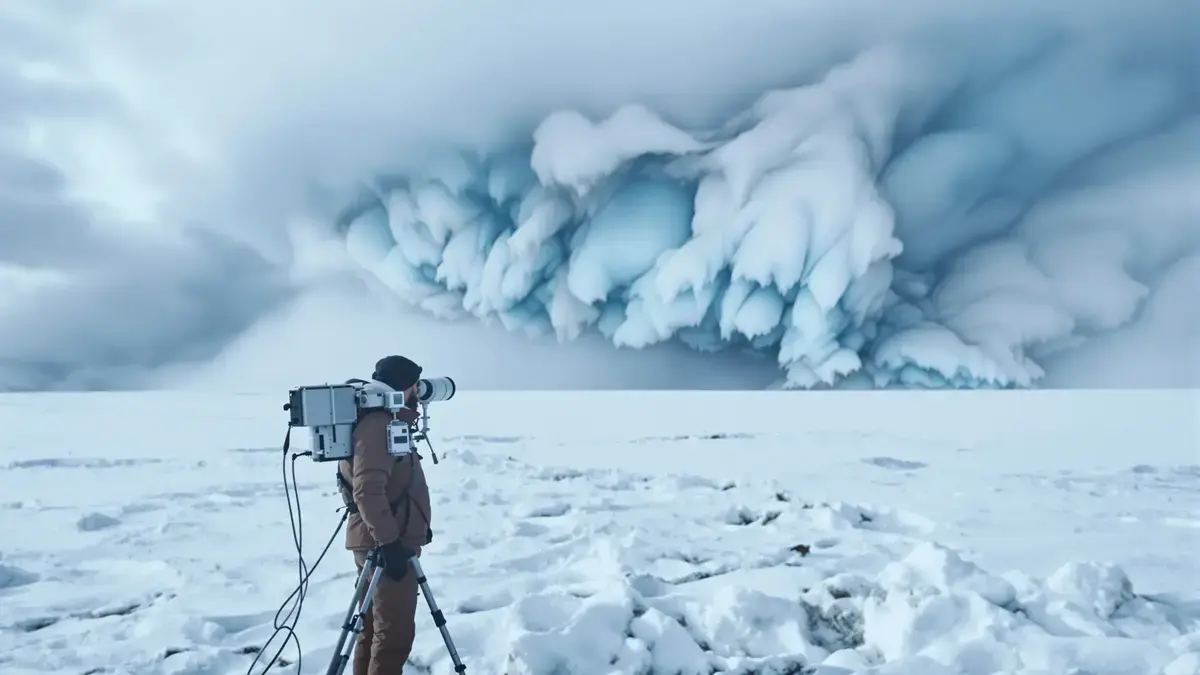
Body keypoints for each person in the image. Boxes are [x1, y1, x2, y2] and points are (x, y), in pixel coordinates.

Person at [337, 355, 433, 675]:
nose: (418, 393)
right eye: (414, 386)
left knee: (373, 626)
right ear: (405, 387)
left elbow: (391, 485)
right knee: (393, 633)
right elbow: (367, 489)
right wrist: (390, 541)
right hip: (384, 543)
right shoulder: (379, 424)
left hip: (378, 536)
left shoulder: (383, 419)